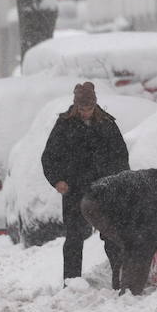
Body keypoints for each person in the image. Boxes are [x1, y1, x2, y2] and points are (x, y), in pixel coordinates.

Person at [40, 82, 130, 283]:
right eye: (82, 108)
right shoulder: (64, 125)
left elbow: (121, 156)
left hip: (104, 189)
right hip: (74, 190)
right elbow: (49, 157)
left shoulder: (107, 123)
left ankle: (120, 279)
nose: (86, 112)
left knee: (112, 235)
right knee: (74, 237)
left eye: (89, 108)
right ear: (75, 106)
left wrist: (119, 183)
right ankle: (71, 283)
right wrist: (57, 180)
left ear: (95, 105)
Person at [80, 168, 157, 296]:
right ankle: (129, 295)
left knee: (132, 244)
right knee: (141, 246)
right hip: (101, 204)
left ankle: (123, 291)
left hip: (92, 199)